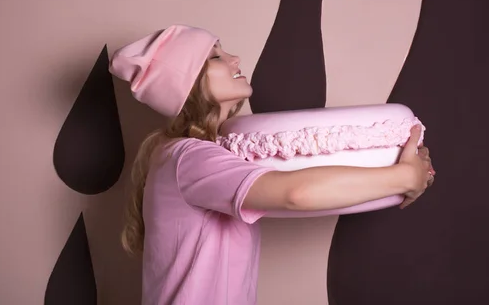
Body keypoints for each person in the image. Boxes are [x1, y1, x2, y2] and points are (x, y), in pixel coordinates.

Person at [109, 25, 435, 305]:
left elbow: (304, 184)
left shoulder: (189, 156)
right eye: (215, 57)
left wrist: (399, 171)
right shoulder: (190, 158)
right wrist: (403, 176)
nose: (234, 59)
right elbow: (297, 193)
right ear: (190, 83)